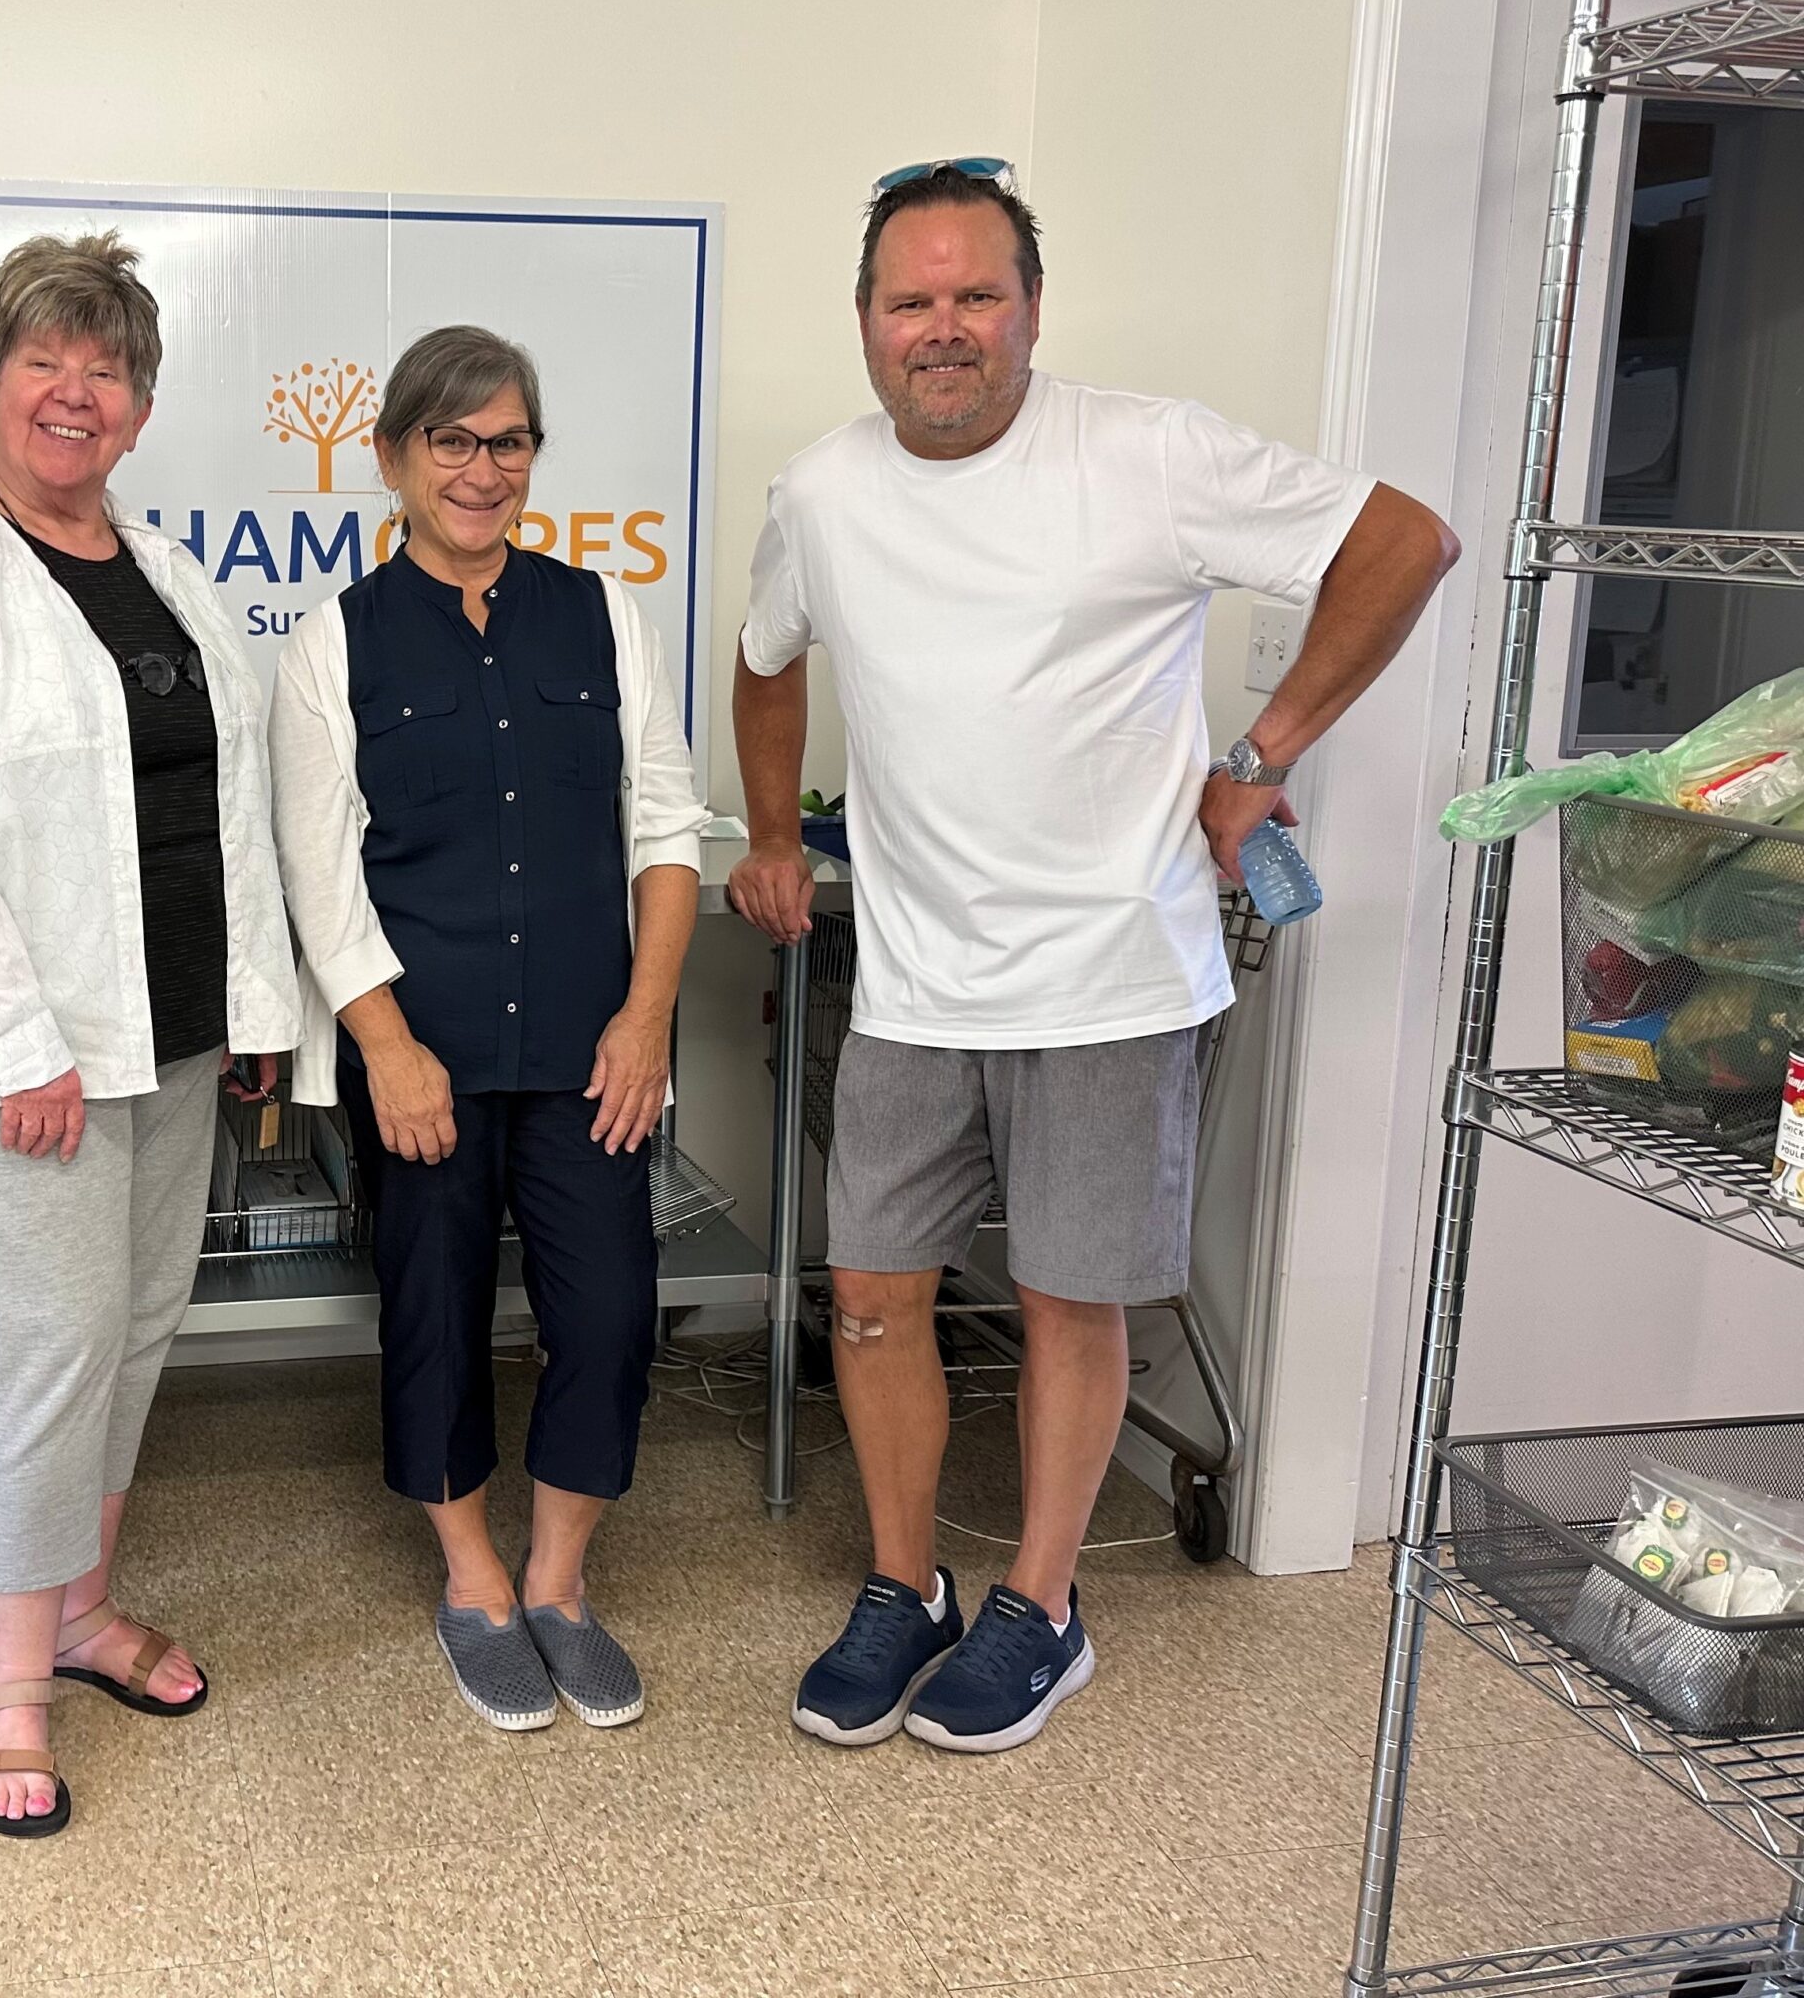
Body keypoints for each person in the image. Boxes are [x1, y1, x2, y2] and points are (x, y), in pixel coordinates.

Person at [730, 161, 1458, 1754]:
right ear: (865, 320)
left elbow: (1404, 541)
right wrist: (774, 833)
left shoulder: (1148, 454)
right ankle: (904, 1586)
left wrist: (1262, 752)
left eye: (976, 295)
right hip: (914, 982)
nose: (944, 328)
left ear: (1033, 308)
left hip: (1113, 977)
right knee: (873, 1298)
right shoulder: (823, 492)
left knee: (1069, 1302)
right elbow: (767, 657)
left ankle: (1042, 1609)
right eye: (912, 301)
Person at [0, 233, 297, 1837]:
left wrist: (253, 1008)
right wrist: (20, 1041)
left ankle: (83, 1609)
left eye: (108, 369)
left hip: (173, 1033)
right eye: (45, 360)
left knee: (138, 1325)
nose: (76, 392)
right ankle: (10, 1679)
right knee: (45, 1351)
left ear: (141, 408)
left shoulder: (165, 574)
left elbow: (224, 809)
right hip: (29, 1055)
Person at [270, 325, 709, 1733]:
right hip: (425, 1055)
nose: (480, 468)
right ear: (393, 456)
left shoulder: (604, 617)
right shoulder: (332, 643)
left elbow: (666, 827)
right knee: (436, 1311)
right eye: (450, 440)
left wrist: (647, 1018)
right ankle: (474, 1581)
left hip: (594, 1051)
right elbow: (319, 872)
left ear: (533, 458)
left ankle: (560, 1581)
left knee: (612, 1311)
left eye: (507, 441)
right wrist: (385, 1047)